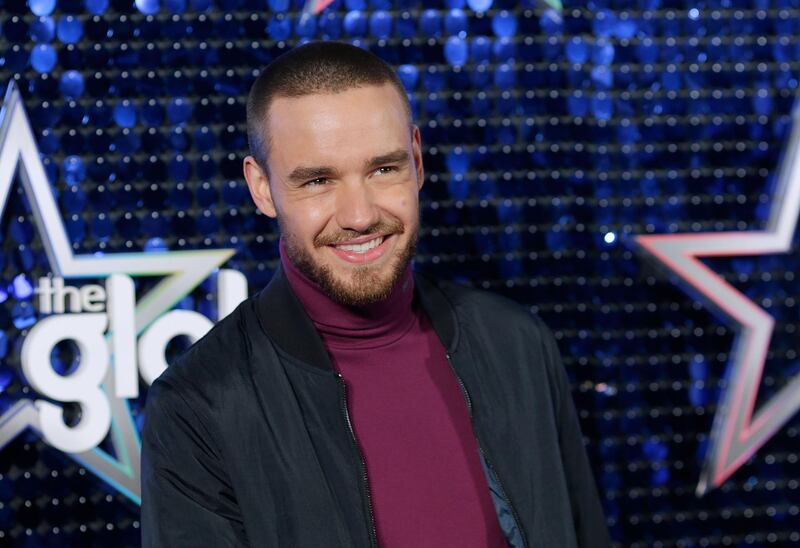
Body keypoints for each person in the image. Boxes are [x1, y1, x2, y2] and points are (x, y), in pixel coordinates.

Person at [141, 41, 610, 548]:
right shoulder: (199, 406)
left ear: (416, 158)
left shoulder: (517, 344)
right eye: (319, 180)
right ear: (261, 188)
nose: (360, 215)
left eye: (383, 169)